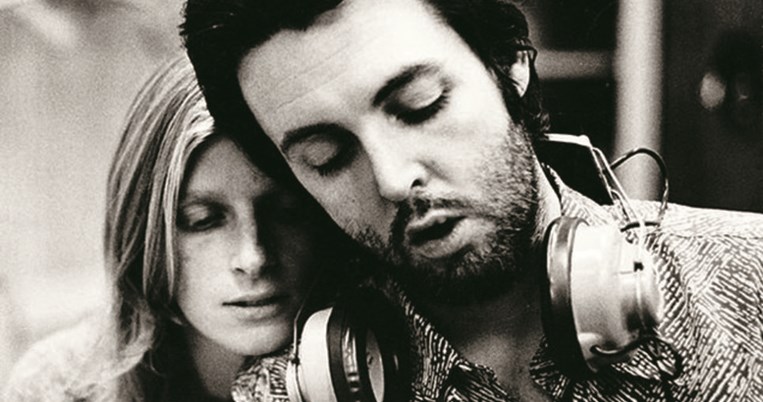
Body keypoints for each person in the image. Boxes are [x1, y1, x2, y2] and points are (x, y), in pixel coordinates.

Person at [181, 0, 763, 401]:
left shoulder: (751, 275)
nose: (392, 178)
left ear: (509, 63)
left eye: (420, 105)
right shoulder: (282, 390)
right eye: (326, 156)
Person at [2, 55, 349, 401]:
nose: (253, 257)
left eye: (287, 212)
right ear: (146, 237)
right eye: (203, 220)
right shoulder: (60, 388)